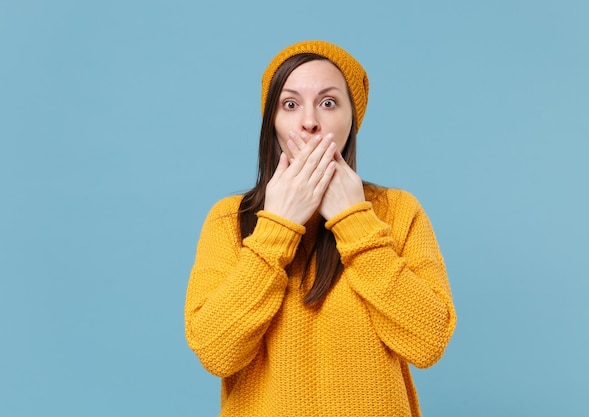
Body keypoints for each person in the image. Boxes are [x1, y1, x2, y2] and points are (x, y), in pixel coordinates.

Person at [184, 40, 456, 416]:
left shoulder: (398, 211)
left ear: (351, 120)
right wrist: (278, 227)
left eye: (328, 103)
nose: (309, 121)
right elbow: (216, 351)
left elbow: (428, 342)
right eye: (290, 104)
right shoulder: (229, 220)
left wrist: (354, 220)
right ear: (272, 122)